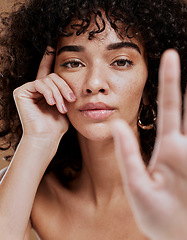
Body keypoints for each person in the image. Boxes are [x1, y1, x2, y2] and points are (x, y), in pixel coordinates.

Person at [0, 0, 186, 239]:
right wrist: (39, 138)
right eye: (74, 63)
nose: (94, 83)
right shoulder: (24, 193)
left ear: (150, 86)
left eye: (121, 61)